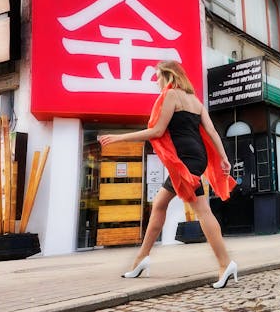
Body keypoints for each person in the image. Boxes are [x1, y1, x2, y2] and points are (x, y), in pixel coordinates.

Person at [98, 60, 239, 288]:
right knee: (160, 204)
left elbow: (157, 130)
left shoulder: (172, 95)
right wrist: (223, 157)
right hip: (196, 158)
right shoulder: (195, 101)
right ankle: (141, 259)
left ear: (168, 75)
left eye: (157, 76)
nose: (156, 80)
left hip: (185, 161)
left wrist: (119, 137)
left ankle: (225, 263)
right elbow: (212, 131)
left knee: (202, 211)